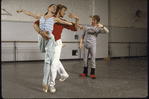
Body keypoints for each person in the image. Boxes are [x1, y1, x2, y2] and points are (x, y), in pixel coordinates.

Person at [17, 4, 76, 93]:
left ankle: (50, 85)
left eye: (55, 8)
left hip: (53, 41)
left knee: (52, 63)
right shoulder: (42, 17)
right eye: (53, 7)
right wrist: (22, 10)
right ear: (49, 8)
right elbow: (31, 15)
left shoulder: (56, 19)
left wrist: (77, 23)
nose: (54, 8)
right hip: (45, 40)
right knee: (51, 58)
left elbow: (68, 23)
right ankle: (64, 74)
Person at [79, 15, 109, 79]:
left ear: (97, 22)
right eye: (92, 20)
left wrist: (102, 26)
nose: (92, 21)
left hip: (93, 46)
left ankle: (92, 73)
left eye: (94, 20)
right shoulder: (87, 27)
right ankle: (85, 72)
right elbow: (82, 35)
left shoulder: (98, 28)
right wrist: (81, 43)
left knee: (92, 59)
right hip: (86, 45)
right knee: (85, 59)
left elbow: (107, 31)